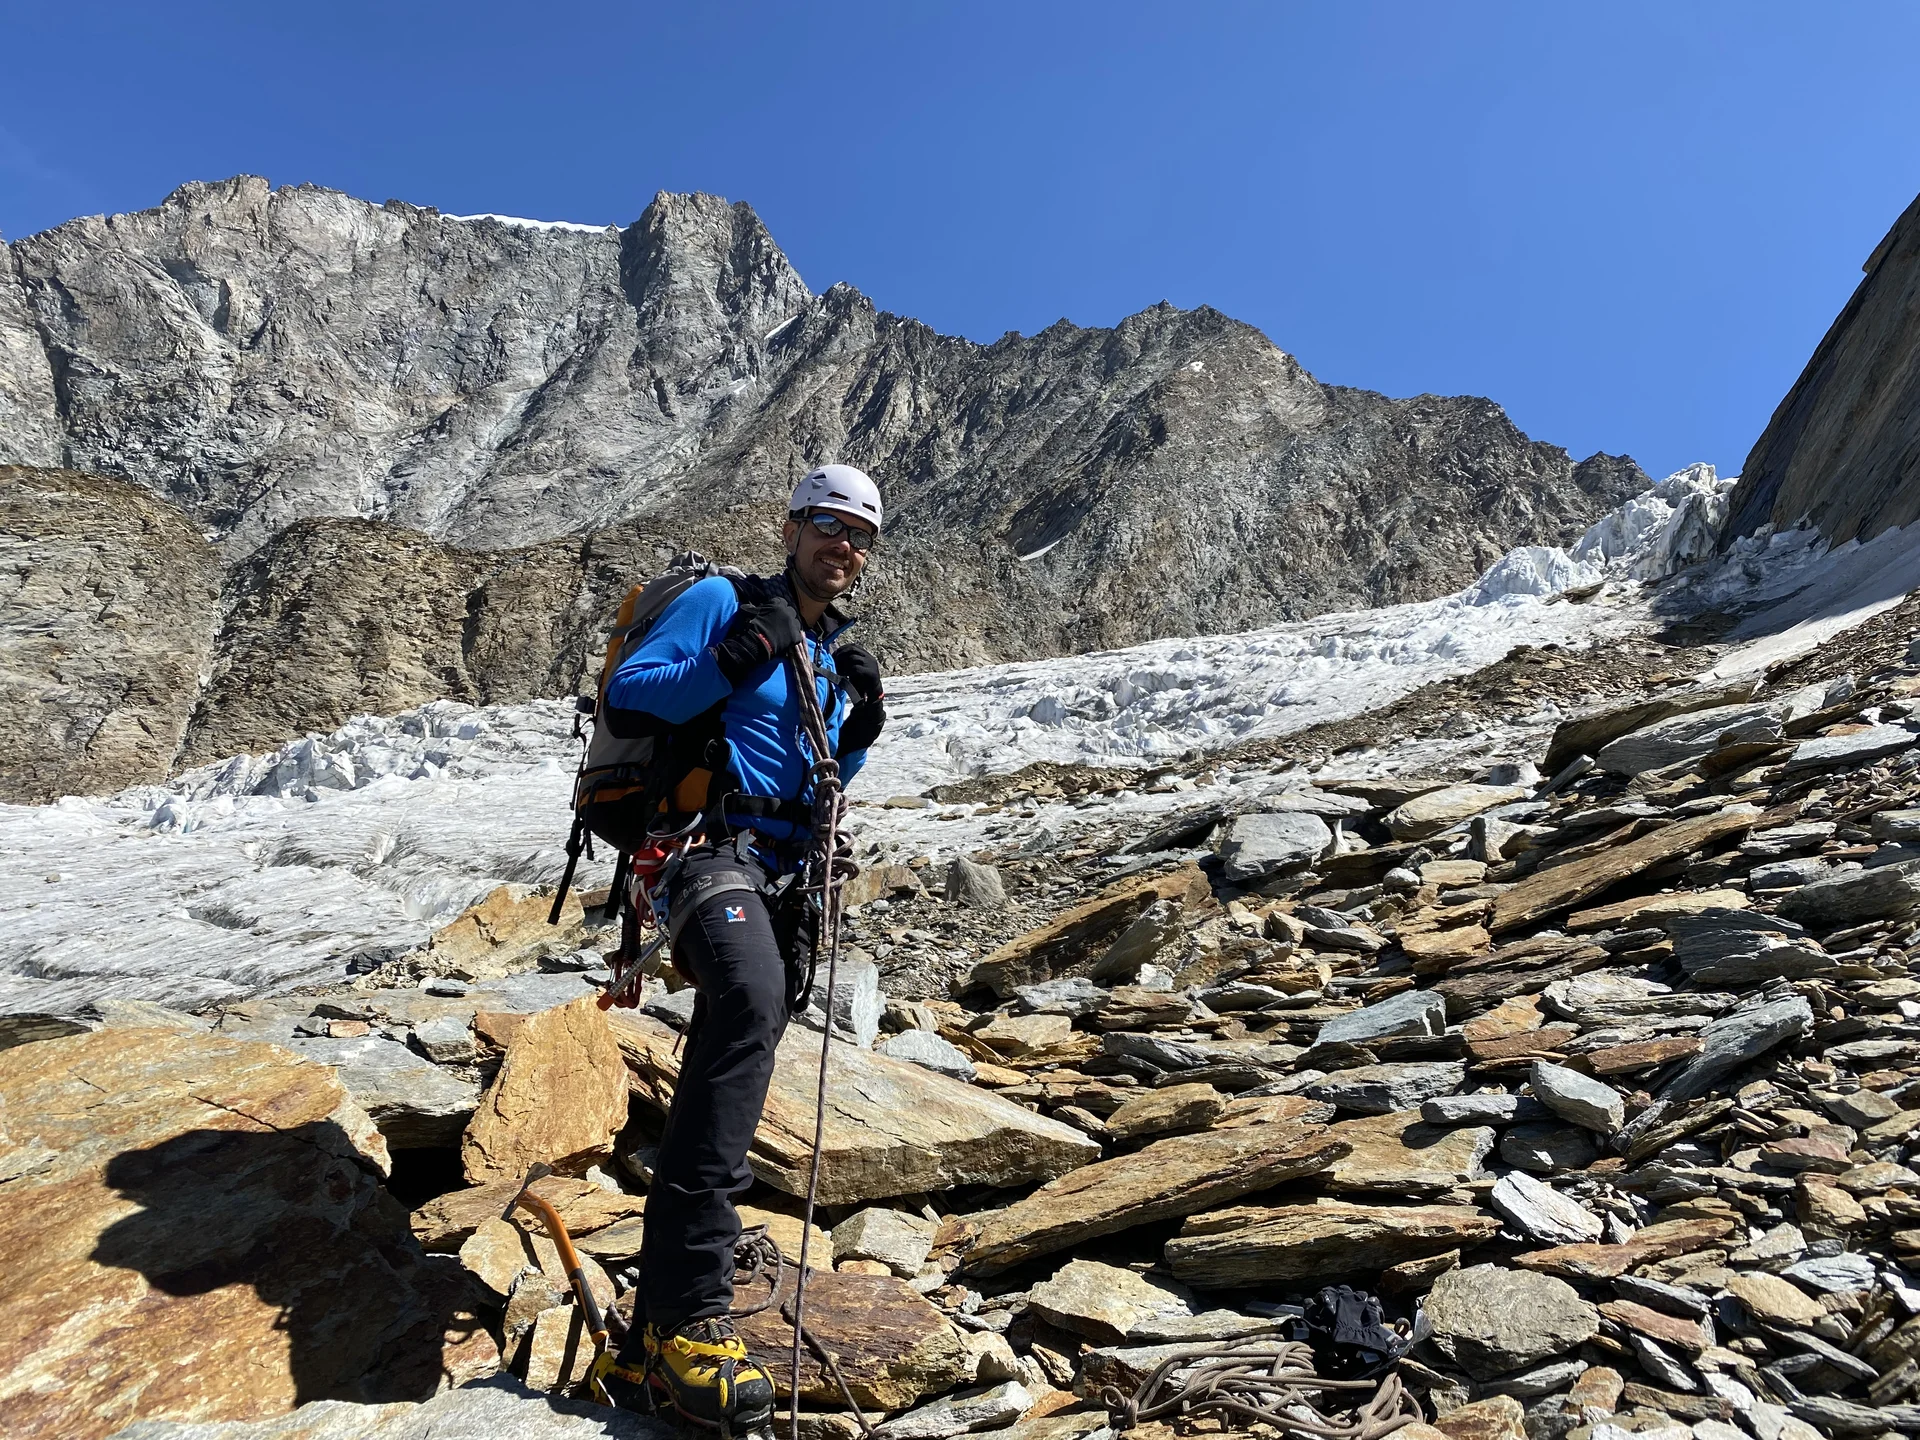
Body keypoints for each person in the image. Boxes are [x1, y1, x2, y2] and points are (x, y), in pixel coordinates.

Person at [590, 463, 886, 1431]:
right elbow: (633, 697)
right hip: (702, 855)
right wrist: (735, 656)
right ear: (793, 527)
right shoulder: (728, 603)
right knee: (752, 1002)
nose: (844, 548)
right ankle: (690, 1313)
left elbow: (812, 779)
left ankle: (643, 1349)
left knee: (739, 1036)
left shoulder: (829, 661)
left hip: (776, 882)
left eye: (861, 537)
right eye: (831, 527)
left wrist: (861, 732)